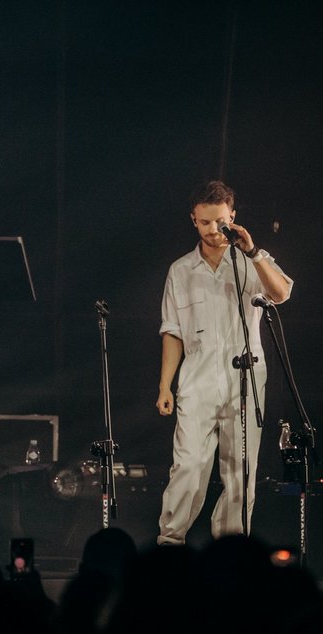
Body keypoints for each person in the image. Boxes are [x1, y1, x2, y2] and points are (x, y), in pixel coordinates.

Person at [155, 180, 293, 544]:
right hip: (196, 380)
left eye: (220, 222)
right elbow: (173, 331)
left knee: (241, 472)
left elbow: (280, 294)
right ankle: (170, 544)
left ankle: (230, 554)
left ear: (232, 216)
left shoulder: (251, 263)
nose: (213, 230)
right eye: (204, 223)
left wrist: (253, 252)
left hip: (245, 380)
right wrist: (164, 385)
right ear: (194, 221)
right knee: (187, 467)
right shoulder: (180, 270)